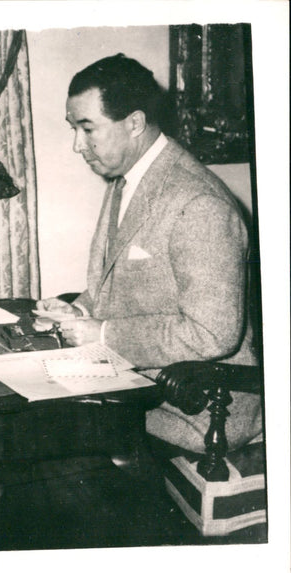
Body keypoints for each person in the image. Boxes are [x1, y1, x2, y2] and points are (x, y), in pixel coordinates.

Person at [36, 54, 262, 453]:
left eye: (88, 129)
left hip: (193, 407)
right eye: (74, 130)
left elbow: (213, 334)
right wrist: (81, 311)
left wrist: (104, 334)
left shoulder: (198, 203)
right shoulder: (127, 180)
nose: (77, 146)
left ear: (135, 123)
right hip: (139, 385)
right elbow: (123, 286)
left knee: (42, 441)